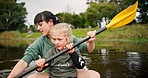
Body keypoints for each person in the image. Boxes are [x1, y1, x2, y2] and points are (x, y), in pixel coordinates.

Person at [8, 11, 100, 78]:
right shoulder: (40, 42)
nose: (38, 28)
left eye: (40, 24)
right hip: (51, 74)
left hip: (70, 73)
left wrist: (91, 41)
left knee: (94, 75)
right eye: (54, 39)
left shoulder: (69, 38)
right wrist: (40, 66)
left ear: (50, 22)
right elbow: (25, 62)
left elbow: (88, 49)